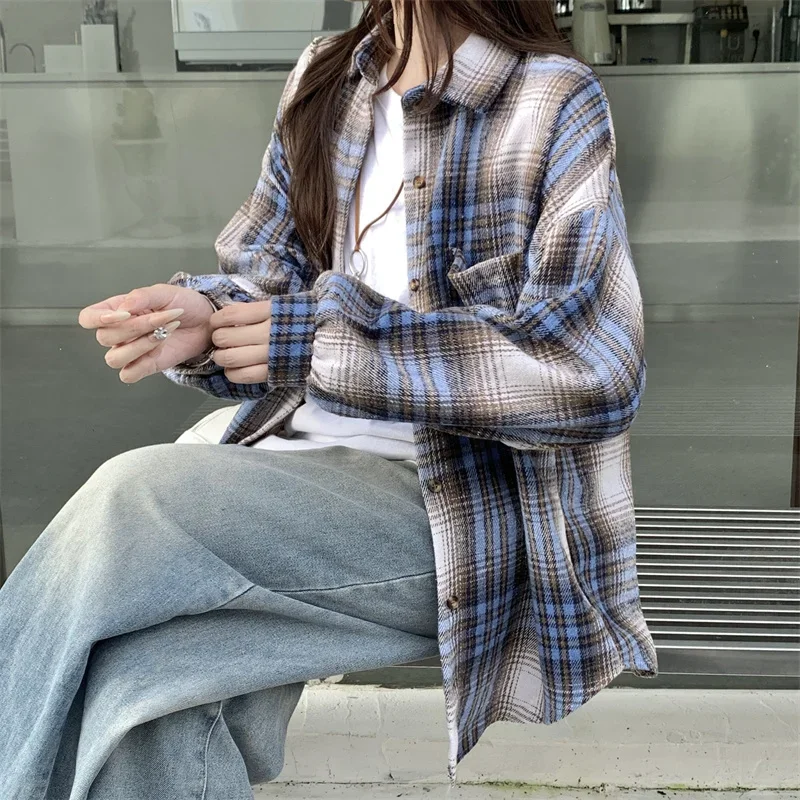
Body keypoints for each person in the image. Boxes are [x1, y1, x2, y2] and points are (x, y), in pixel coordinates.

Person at [0, 1, 659, 797]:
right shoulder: (327, 77)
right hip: (296, 471)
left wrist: (322, 344)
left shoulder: (549, 98)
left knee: (132, 500)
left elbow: (590, 372)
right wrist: (208, 320)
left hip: (460, 512)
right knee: (145, 685)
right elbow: (268, 284)